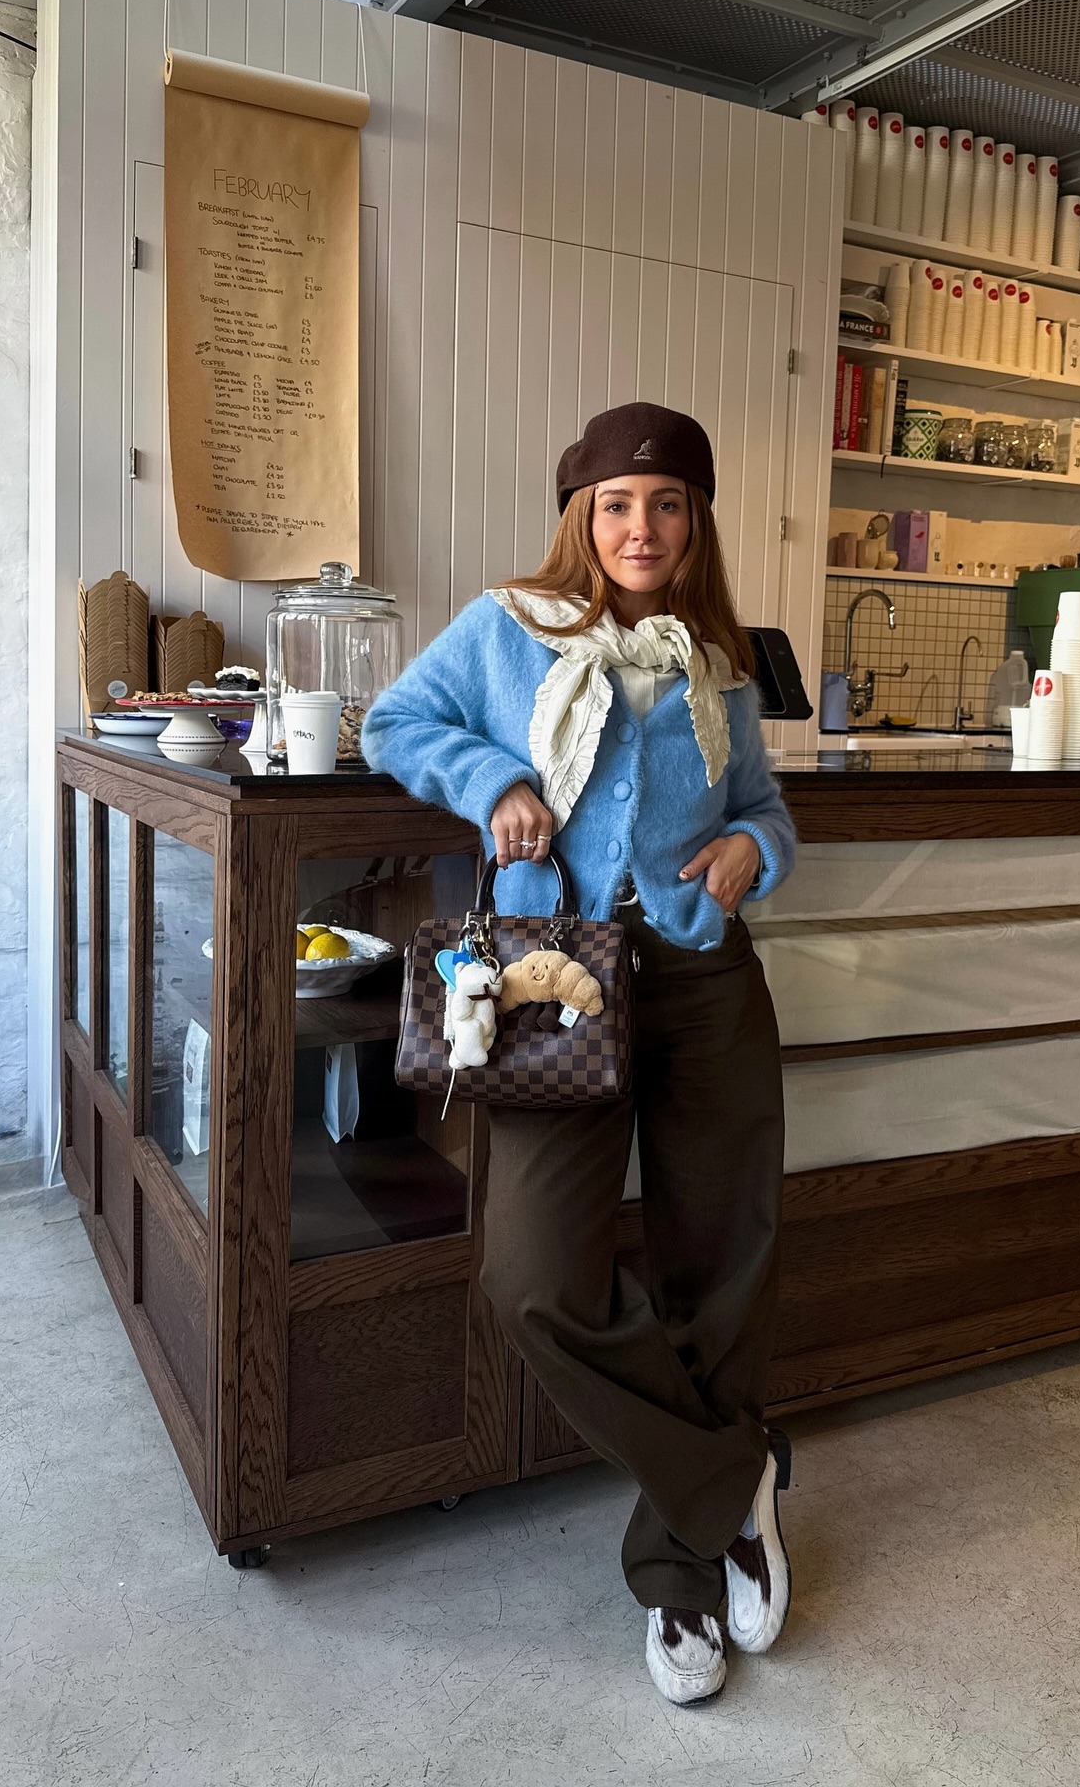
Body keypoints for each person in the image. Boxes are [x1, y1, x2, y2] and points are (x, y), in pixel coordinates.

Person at [363, 402, 796, 1705]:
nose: (643, 527)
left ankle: (678, 1586)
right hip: (558, 978)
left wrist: (752, 853)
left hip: (707, 976)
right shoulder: (508, 627)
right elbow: (393, 723)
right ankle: (737, 1484)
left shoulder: (717, 658)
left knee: (717, 1265)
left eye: (667, 505)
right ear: (580, 517)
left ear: (697, 521)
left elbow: (768, 807)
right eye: (617, 504)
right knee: (535, 1277)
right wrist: (495, 779)